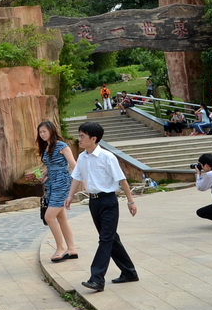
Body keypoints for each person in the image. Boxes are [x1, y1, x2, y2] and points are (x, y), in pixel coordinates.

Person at [65, 121, 139, 292]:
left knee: (105, 239)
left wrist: (131, 201)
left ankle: (97, 279)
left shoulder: (107, 157)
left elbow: (122, 180)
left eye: (82, 136)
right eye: (79, 135)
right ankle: (129, 272)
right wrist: (70, 196)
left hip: (108, 202)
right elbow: (77, 177)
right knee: (111, 238)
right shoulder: (82, 157)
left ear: (94, 138)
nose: (79, 139)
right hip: (94, 202)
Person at [37, 120, 78, 262]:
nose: (42, 134)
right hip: (51, 184)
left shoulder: (62, 146)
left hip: (62, 183)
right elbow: (51, 165)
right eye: (40, 132)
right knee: (61, 218)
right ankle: (72, 249)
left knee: (49, 217)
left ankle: (60, 248)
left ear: (51, 131)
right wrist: (45, 174)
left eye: (44, 131)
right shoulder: (47, 146)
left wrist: (82, 183)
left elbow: (74, 165)